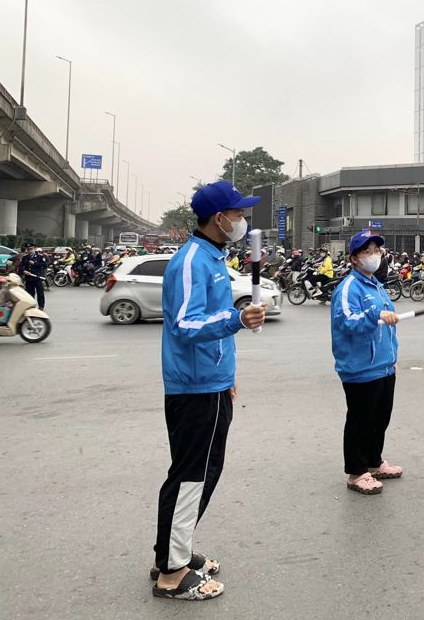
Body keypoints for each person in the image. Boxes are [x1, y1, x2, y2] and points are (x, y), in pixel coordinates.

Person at [151, 180, 266, 601]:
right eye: (237, 213)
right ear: (219, 218)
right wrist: (237, 320)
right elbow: (184, 325)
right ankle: (171, 575)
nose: (242, 220)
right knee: (191, 478)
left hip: (211, 383)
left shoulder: (213, 258)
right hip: (196, 387)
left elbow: (213, 321)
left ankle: (172, 552)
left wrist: (228, 374)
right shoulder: (192, 261)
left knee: (198, 473)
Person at [331, 229, 402, 495]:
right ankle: (356, 472)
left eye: (377, 251)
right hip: (360, 368)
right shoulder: (349, 287)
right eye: (367, 251)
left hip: (383, 365)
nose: (374, 256)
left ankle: (374, 462)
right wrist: (375, 315)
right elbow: (347, 322)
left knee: (379, 419)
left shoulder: (377, 285)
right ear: (354, 258)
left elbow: (389, 327)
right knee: (360, 420)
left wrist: (393, 357)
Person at [18, 243, 47, 311]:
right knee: (30, 293)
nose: (30, 251)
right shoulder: (25, 257)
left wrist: (35, 263)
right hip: (29, 278)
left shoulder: (40, 257)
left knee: (40, 293)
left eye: (31, 249)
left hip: (37, 277)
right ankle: (31, 306)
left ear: (34, 249)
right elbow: (20, 267)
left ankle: (41, 307)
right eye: (28, 249)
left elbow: (44, 265)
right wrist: (24, 271)